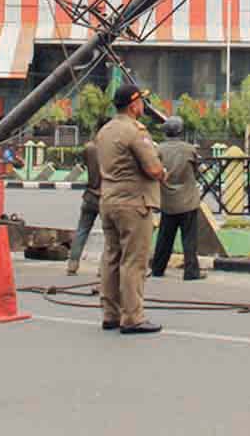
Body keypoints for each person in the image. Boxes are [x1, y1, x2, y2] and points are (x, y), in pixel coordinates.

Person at [97, 83, 166, 335]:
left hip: (108, 200)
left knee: (111, 258)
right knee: (133, 261)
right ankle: (133, 317)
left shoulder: (105, 131)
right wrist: (163, 172)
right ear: (134, 104)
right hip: (134, 203)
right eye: (142, 102)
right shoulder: (135, 131)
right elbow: (154, 169)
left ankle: (110, 314)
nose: (143, 106)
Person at [151, 116, 204, 280]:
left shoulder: (158, 150)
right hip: (188, 200)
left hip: (167, 200)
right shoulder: (189, 149)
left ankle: (158, 269)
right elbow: (197, 171)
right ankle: (191, 272)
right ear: (181, 131)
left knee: (164, 237)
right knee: (189, 239)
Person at [66, 121, 104, 276]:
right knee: (111, 235)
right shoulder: (111, 149)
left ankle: (72, 264)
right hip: (105, 195)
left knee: (82, 230)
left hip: (89, 194)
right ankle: (103, 269)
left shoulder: (88, 148)